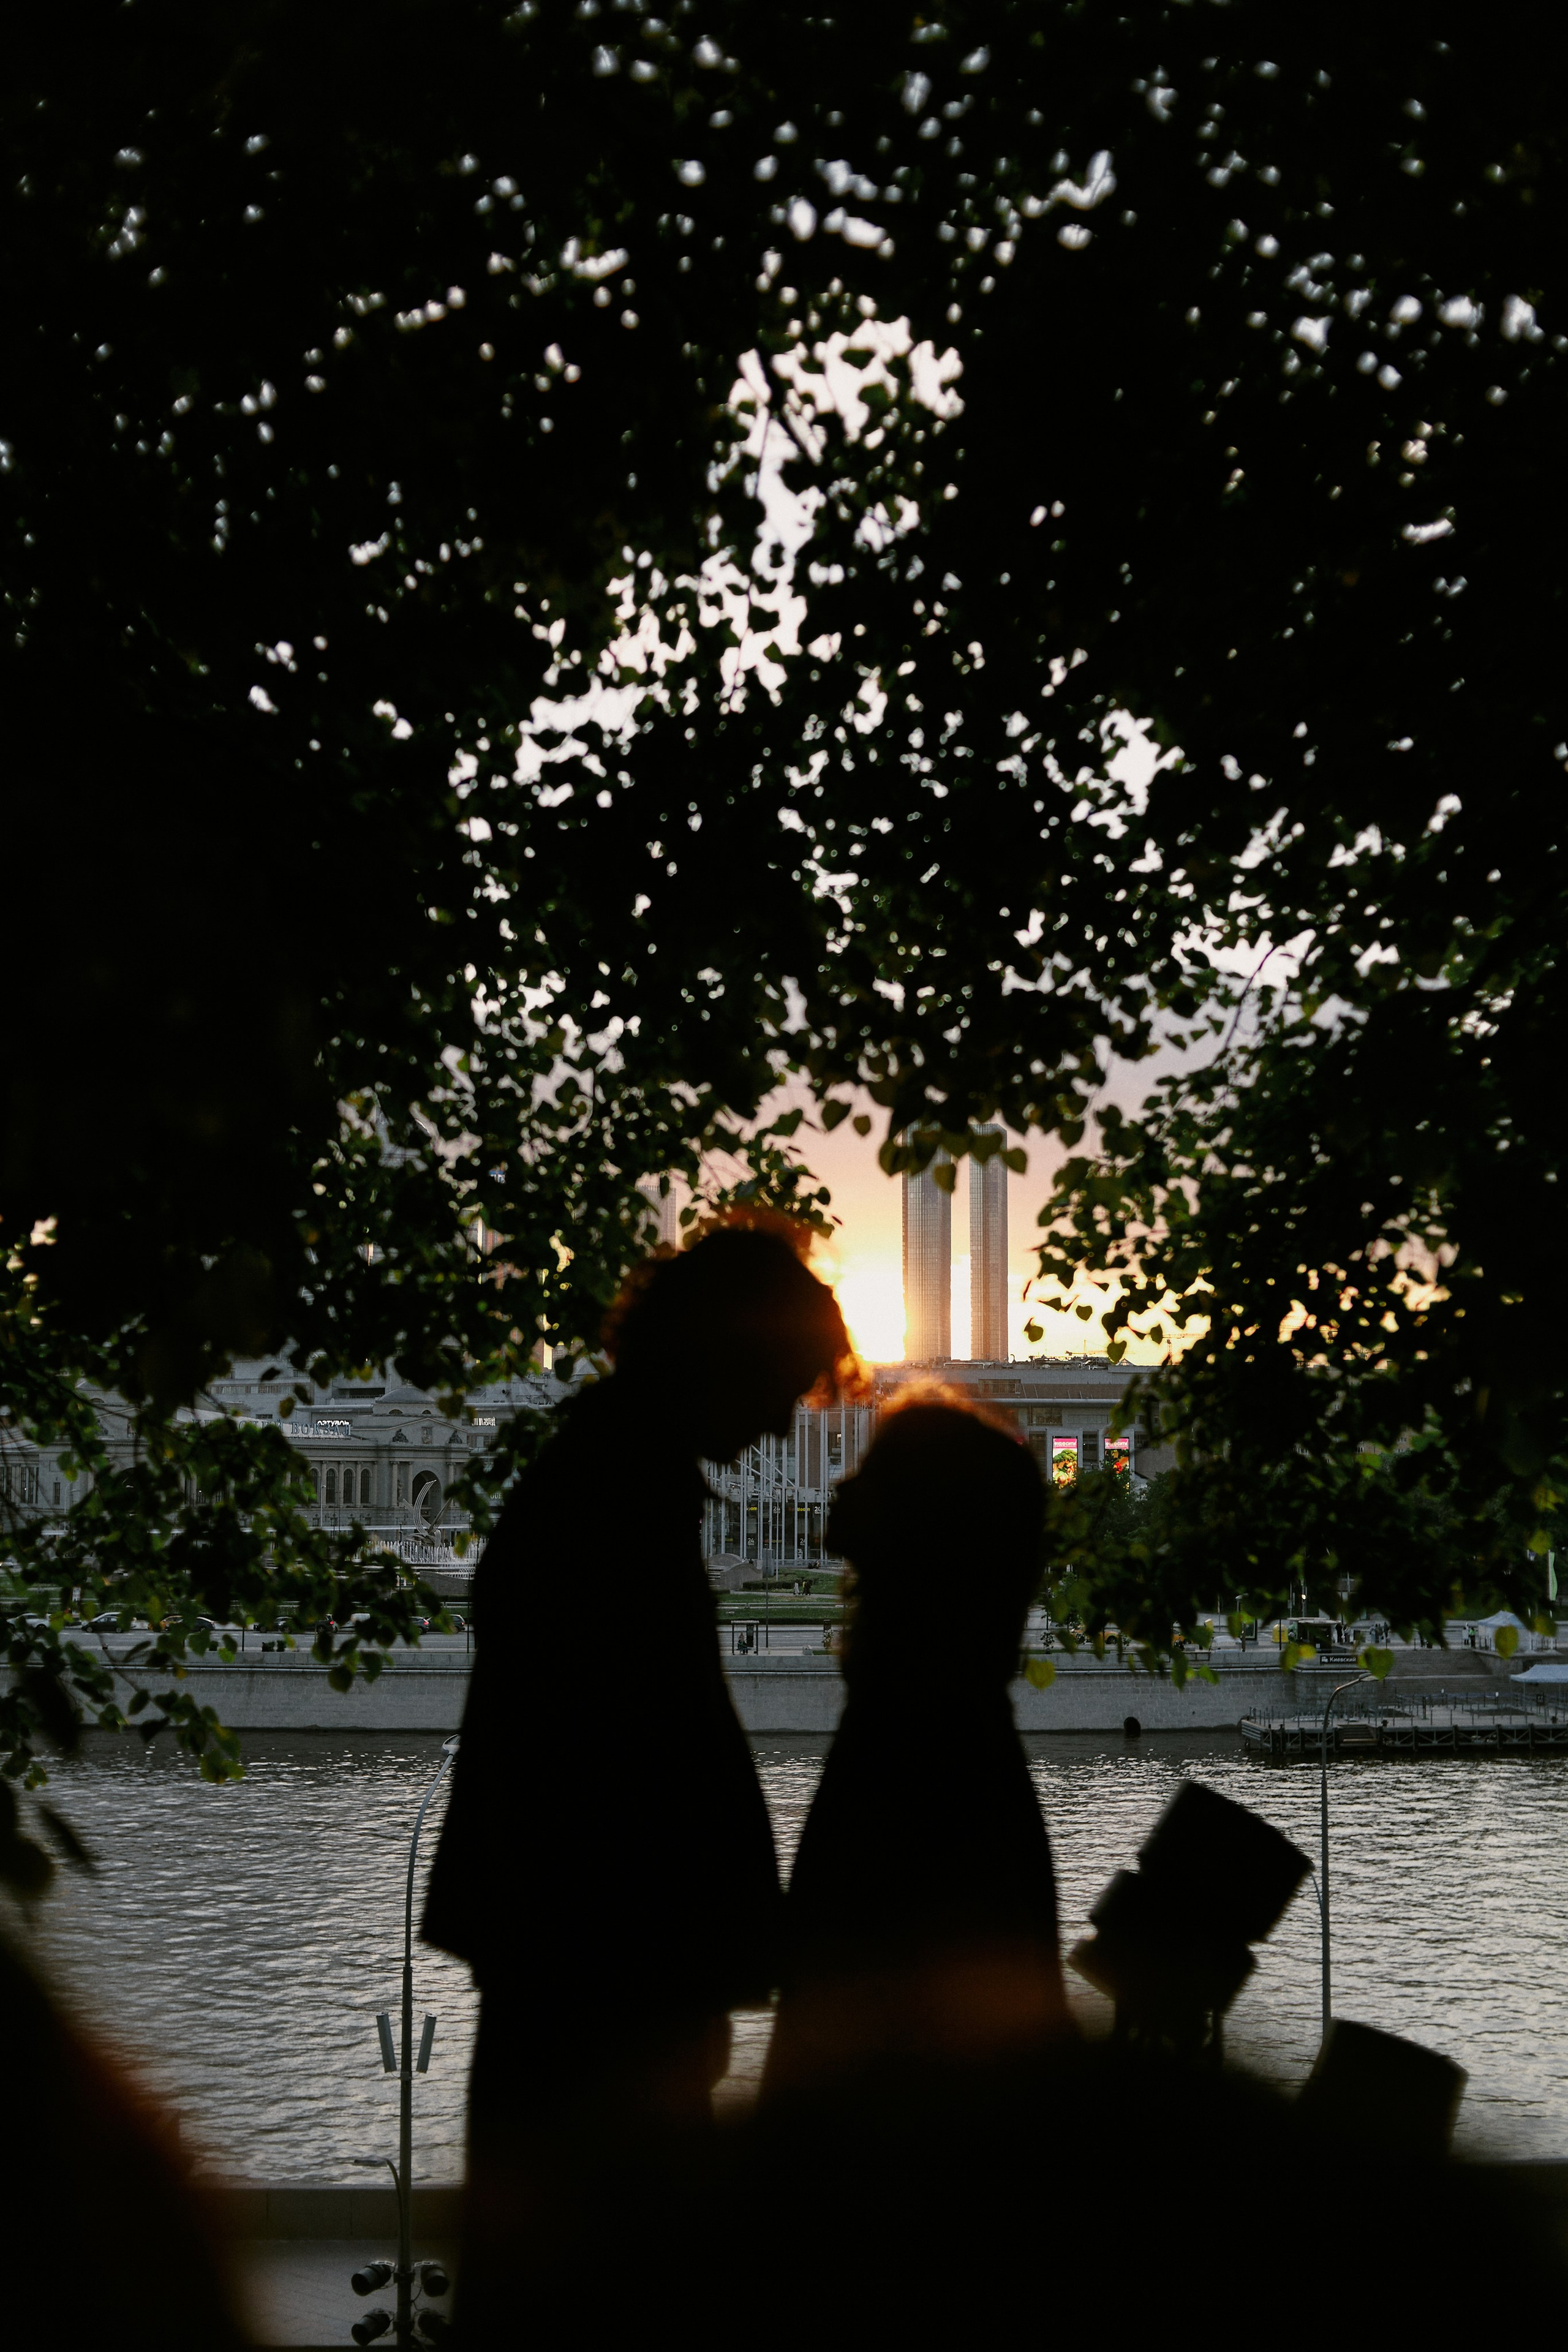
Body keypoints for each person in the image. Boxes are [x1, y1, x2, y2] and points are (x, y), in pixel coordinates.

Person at [421, 1212, 858, 2323]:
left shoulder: (602, 1474)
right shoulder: (619, 1501)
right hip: (605, 1981)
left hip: (577, 1969)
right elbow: (636, 1771)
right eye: (779, 1386)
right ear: (725, 1359)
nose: (775, 1427)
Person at [764, 1386, 1069, 2098]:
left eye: (871, 1465)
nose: (841, 1481)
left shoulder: (910, 1730)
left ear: (923, 1524)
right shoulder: (945, 1711)